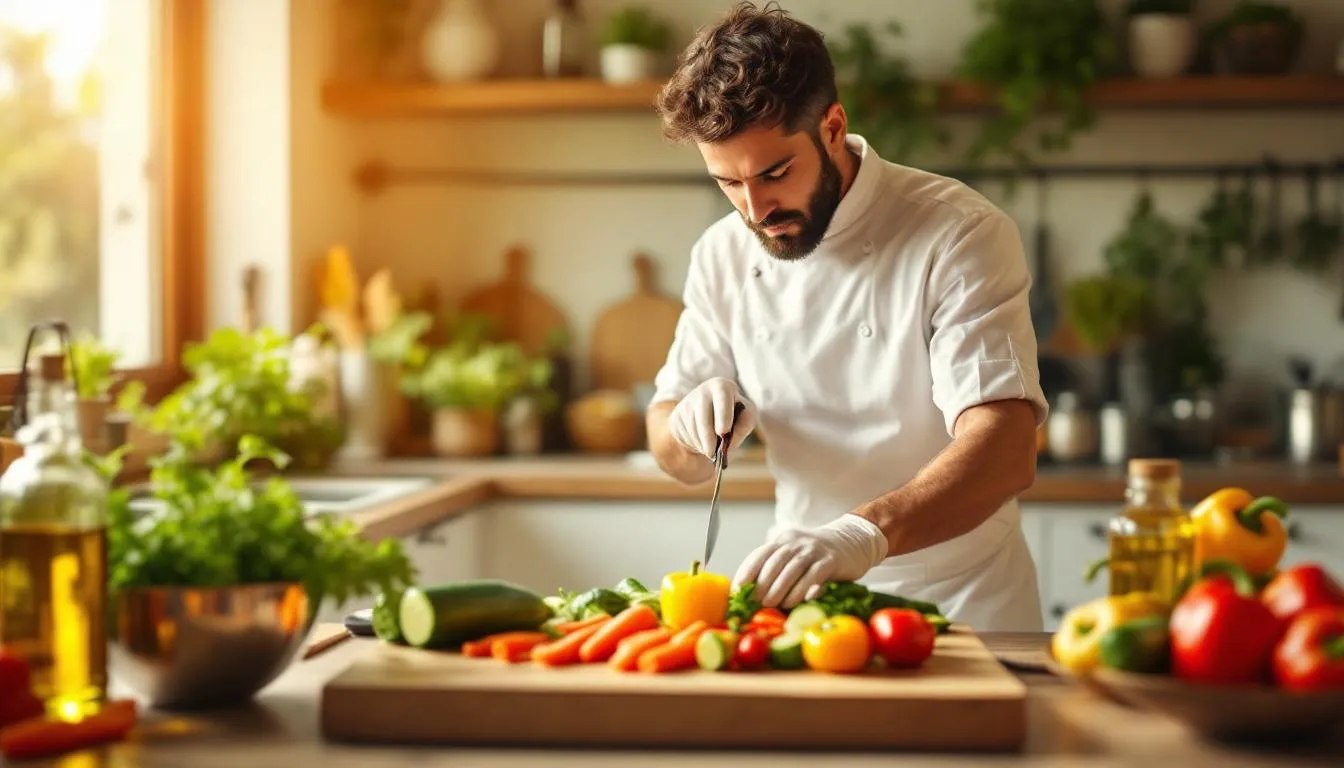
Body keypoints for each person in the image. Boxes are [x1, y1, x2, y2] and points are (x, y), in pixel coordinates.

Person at [644, 1, 1050, 632]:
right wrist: (690, 430)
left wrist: (860, 535)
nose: (755, 210)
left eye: (776, 172)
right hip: (802, 600)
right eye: (727, 183)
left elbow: (1005, 448)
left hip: (963, 604)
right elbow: (668, 447)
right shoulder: (722, 253)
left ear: (832, 126)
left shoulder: (958, 232)